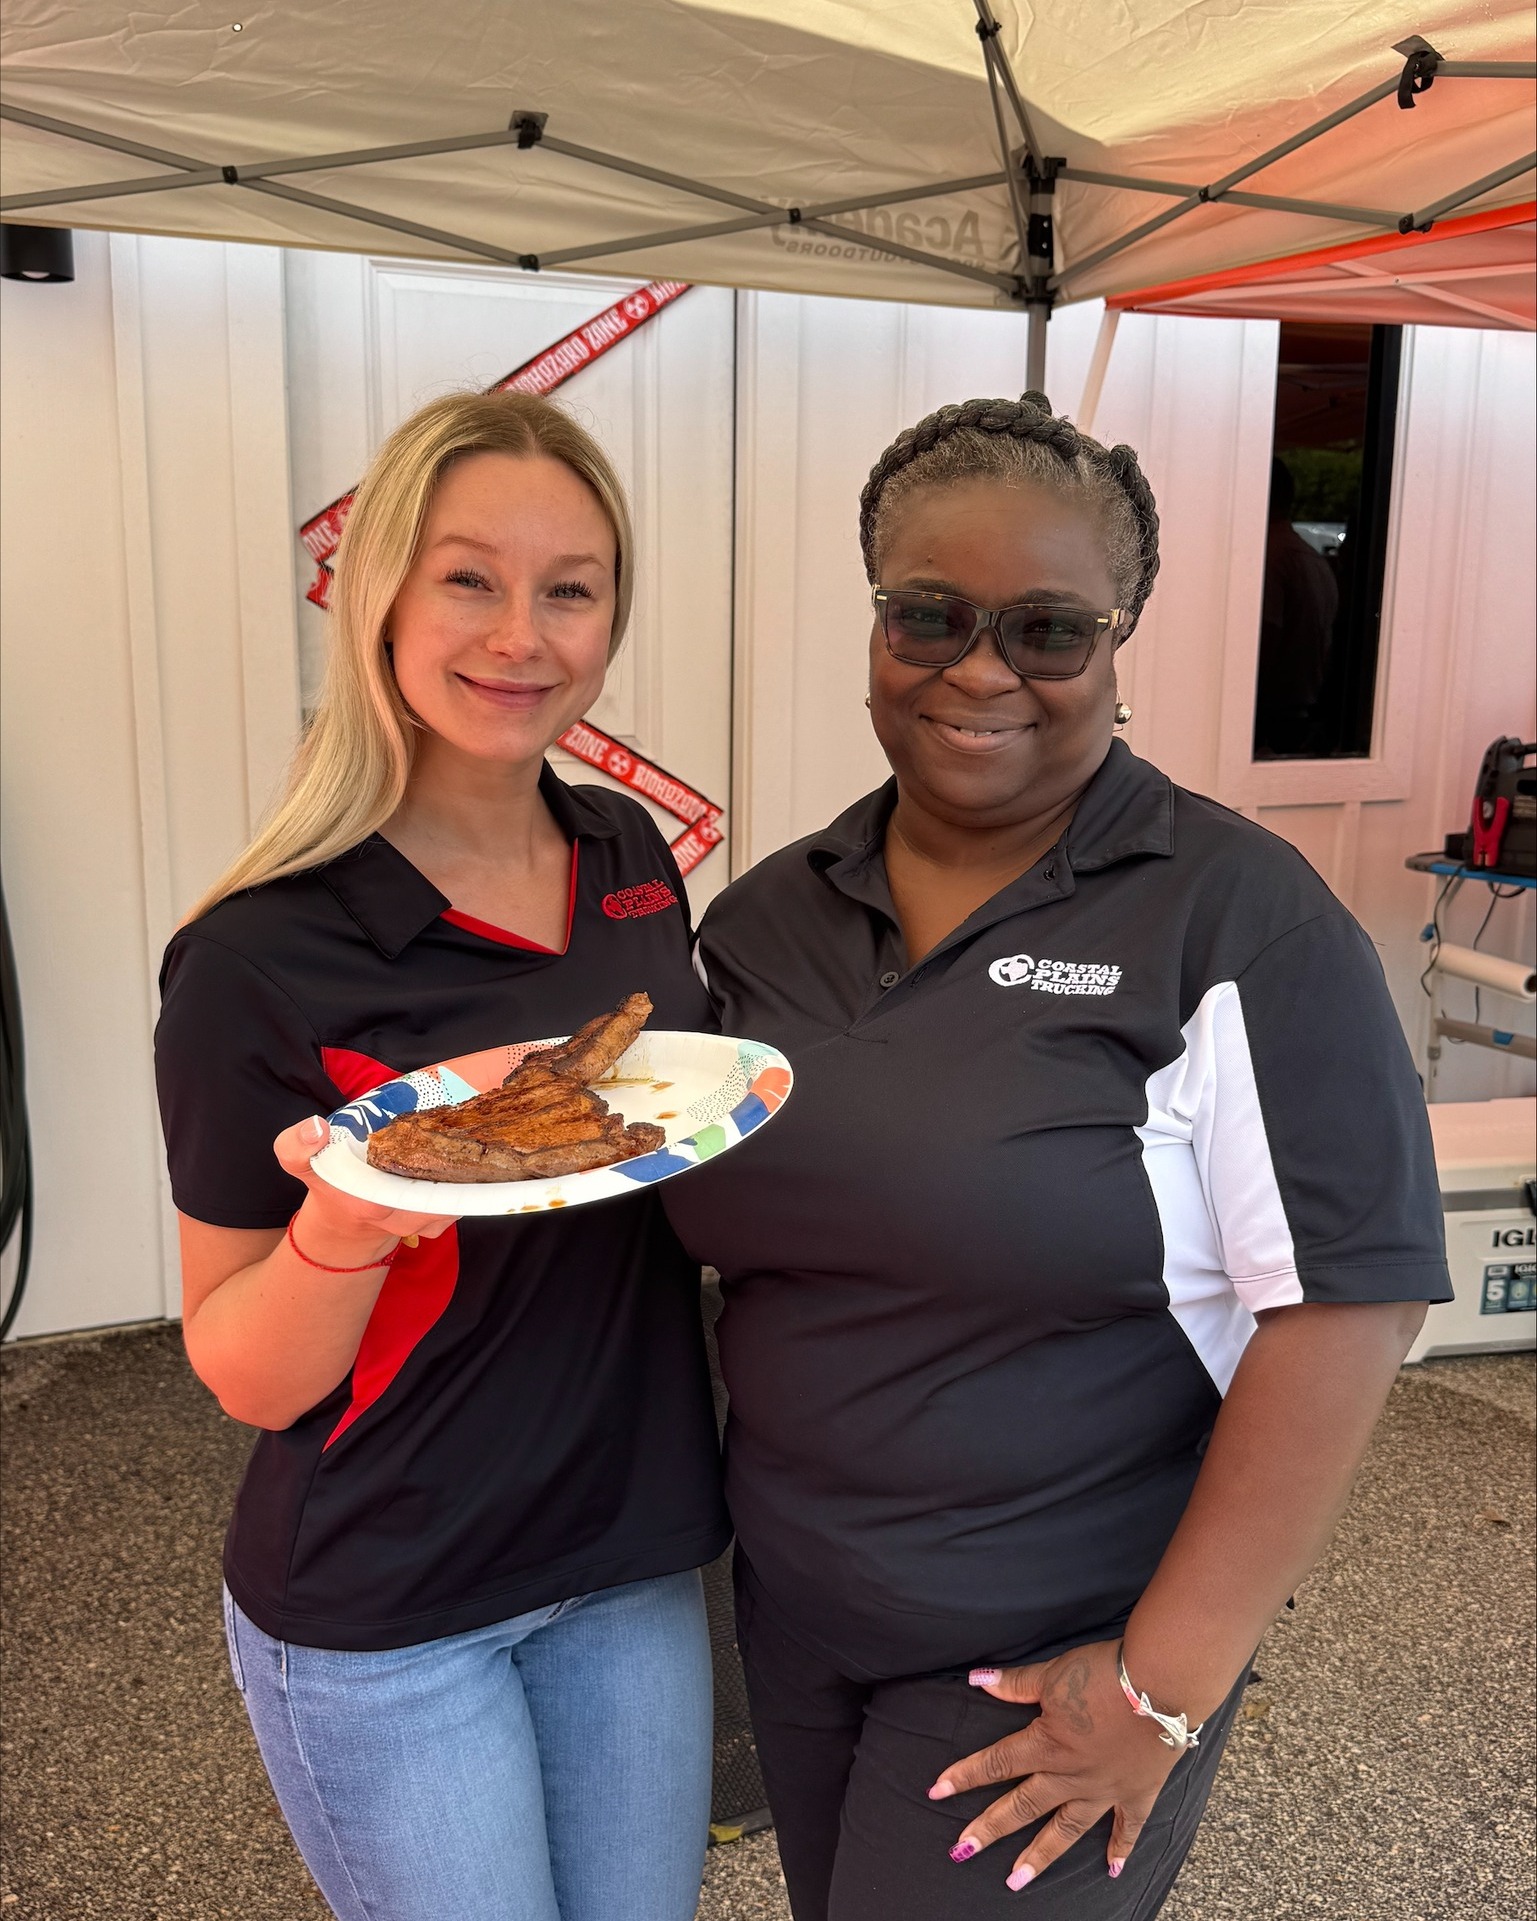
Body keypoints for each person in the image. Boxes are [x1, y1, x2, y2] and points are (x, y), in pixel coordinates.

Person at [663, 393, 1449, 1920]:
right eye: (928, 614)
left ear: (1119, 635)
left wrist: (1161, 1690)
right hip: (795, 1614)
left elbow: (1346, 1309)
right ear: (876, 616)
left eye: (1047, 628)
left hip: (1052, 1656)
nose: (979, 668)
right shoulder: (766, 916)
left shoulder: (1234, 918)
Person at [154, 391, 728, 1921]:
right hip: (392, 1604)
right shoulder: (257, 957)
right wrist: (348, 1220)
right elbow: (248, 1372)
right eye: (469, 577)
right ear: (377, 595)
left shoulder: (626, 858)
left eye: (571, 586)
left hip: (627, 1558)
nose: (521, 635)